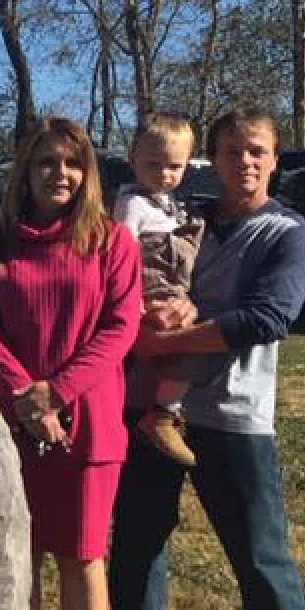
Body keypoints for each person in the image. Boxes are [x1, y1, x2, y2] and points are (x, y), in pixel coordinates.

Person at [105, 105, 305, 610]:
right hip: (152, 408)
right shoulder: (187, 221)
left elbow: (269, 317)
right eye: (232, 150)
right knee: (140, 540)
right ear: (214, 159)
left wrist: (159, 343)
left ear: (275, 158)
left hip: (234, 417)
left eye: (257, 150)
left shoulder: (287, 233)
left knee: (260, 556)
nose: (245, 161)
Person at [0, 118, 141, 610]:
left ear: (87, 173)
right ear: (25, 171)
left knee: (82, 557)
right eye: (45, 163)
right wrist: (25, 398)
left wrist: (58, 392)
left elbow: (120, 328)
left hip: (87, 425)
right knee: (22, 558)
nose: (58, 174)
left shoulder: (113, 242)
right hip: (13, 425)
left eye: (71, 163)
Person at [112, 114, 205, 466]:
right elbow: (121, 256)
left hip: (174, 297)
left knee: (189, 347)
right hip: (147, 298)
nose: (164, 174)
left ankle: (164, 408)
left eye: (174, 166)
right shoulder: (131, 204)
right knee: (192, 345)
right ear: (132, 158)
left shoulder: (175, 209)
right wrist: (133, 307)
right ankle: (164, 415)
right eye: (154, 164)